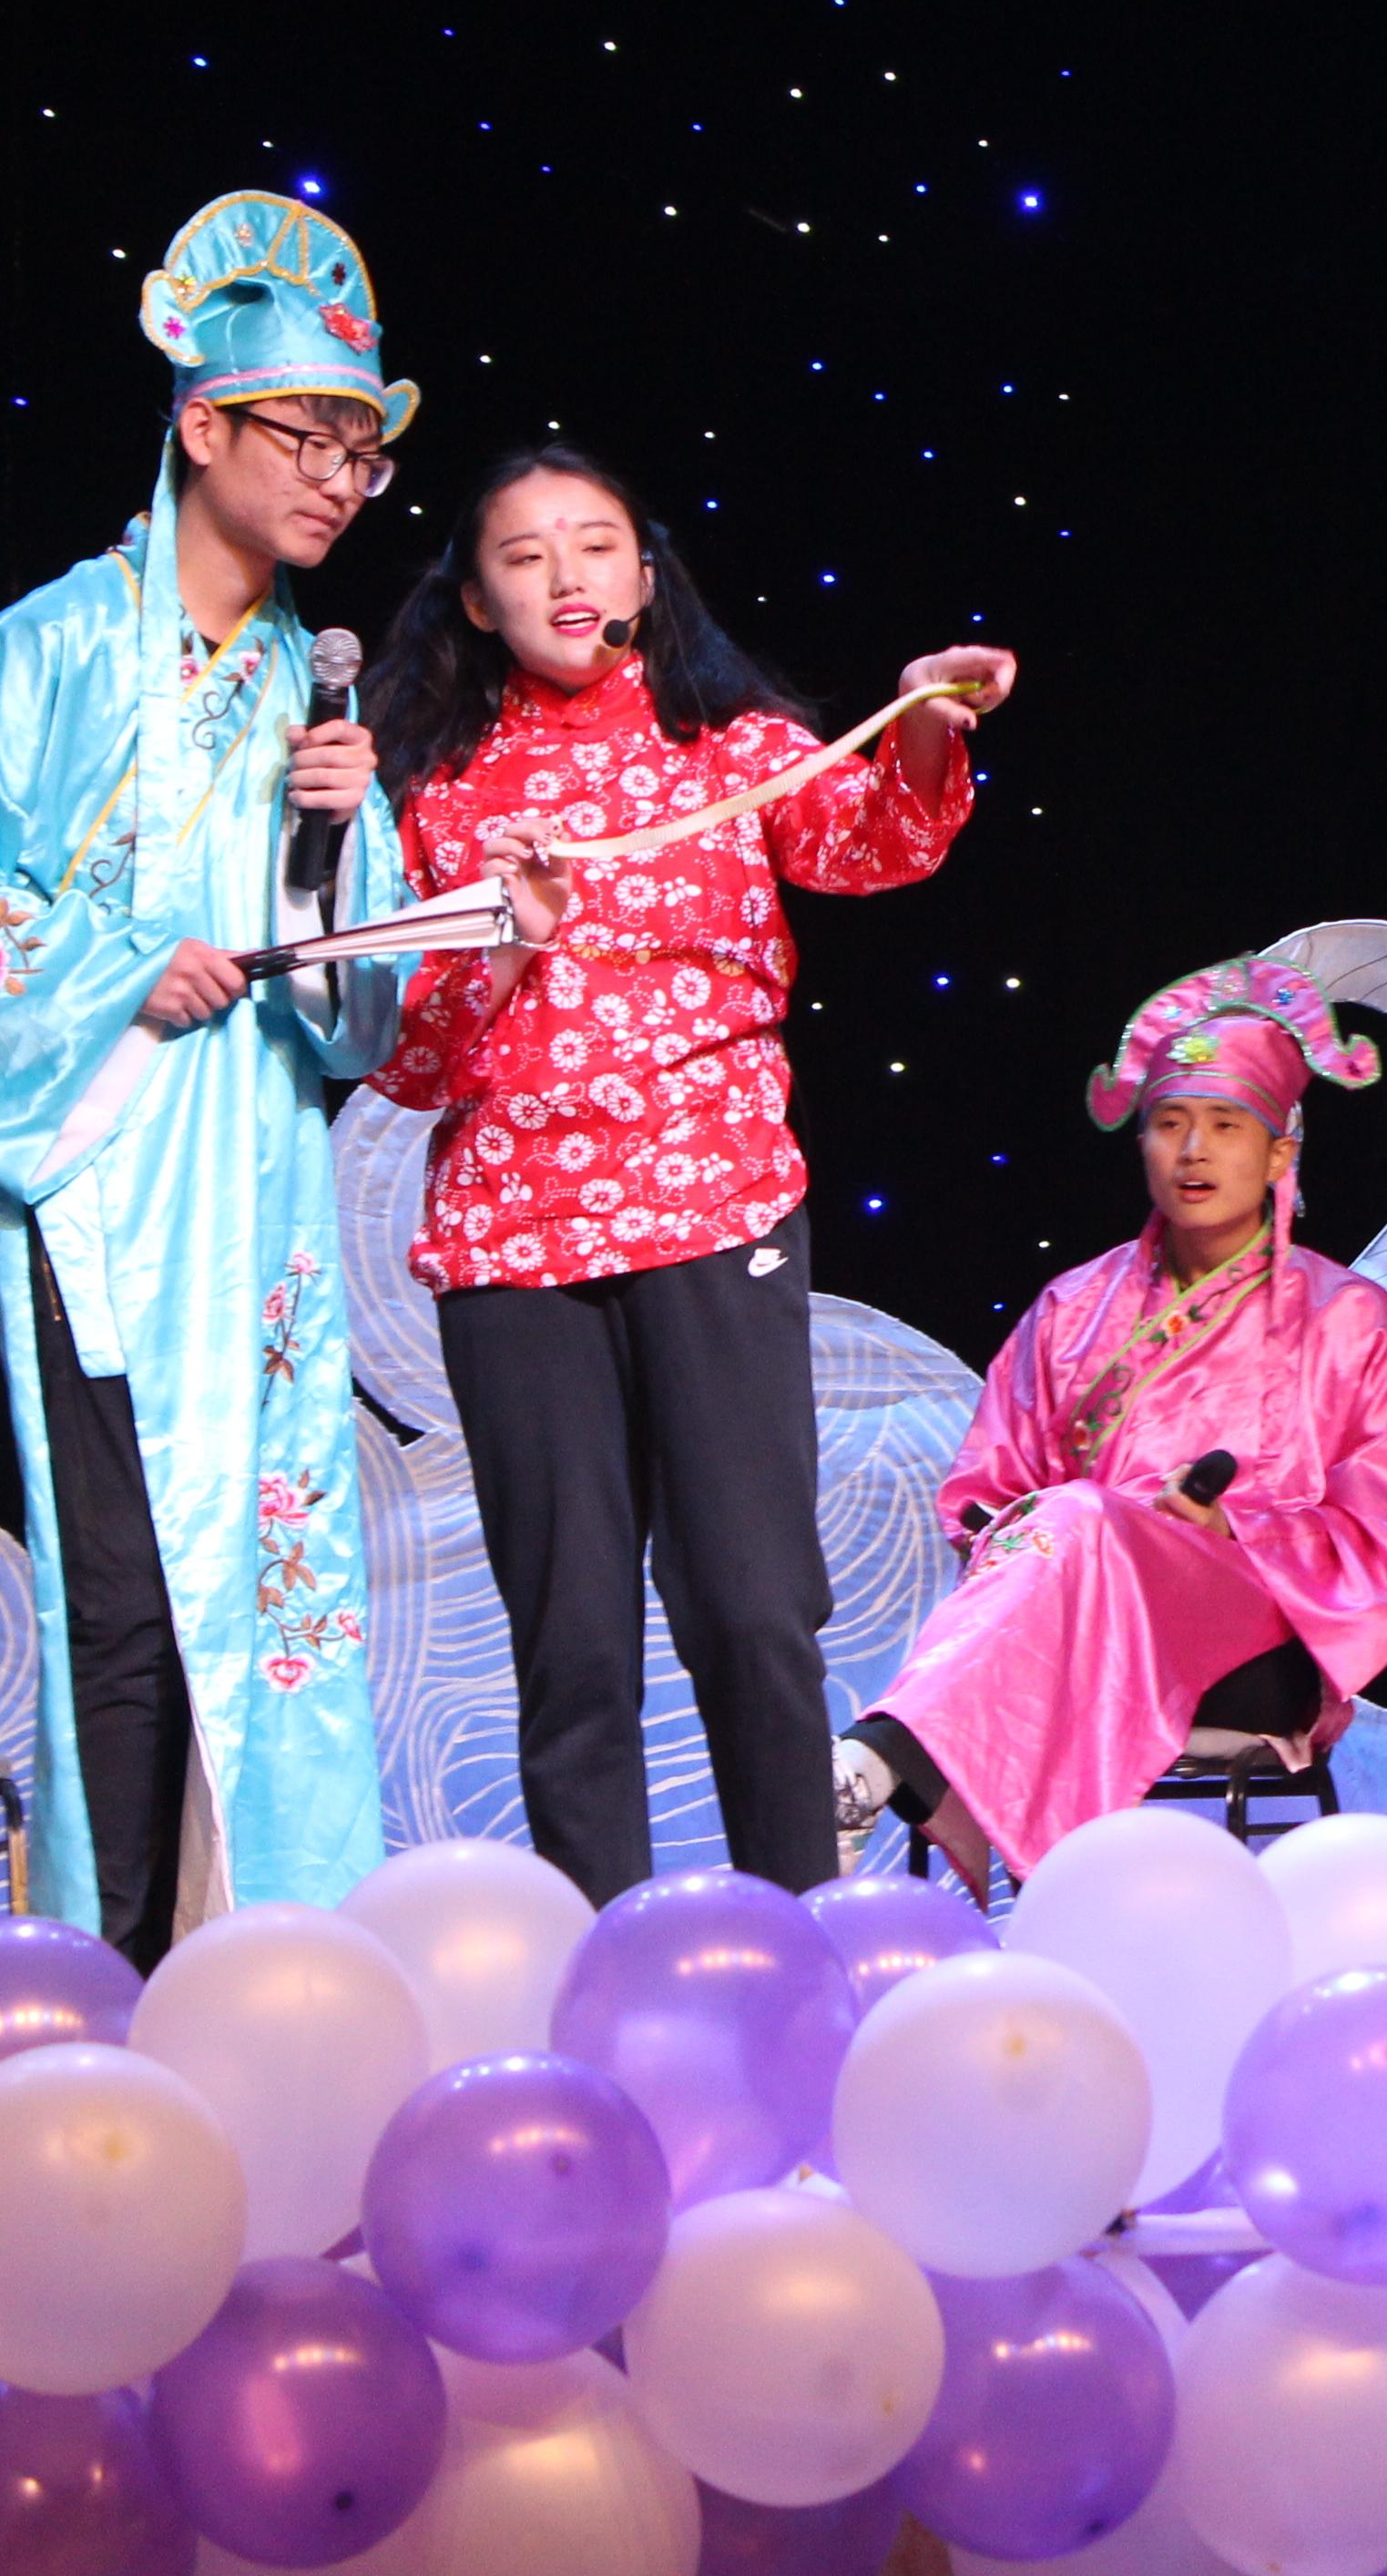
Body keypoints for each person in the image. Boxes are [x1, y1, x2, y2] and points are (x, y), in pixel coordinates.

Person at [0, 190, 419, 1954]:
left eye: (362, 453)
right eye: (308, 437)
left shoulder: (310, 692)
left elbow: (358, 1010)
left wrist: (342, 843)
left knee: (274, 1584)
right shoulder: (52, 648)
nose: (338, 481)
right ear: (201, 424)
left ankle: (275, 1957)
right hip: (106, 1162)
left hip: (258, 1178)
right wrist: (109, 975)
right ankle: (111, 1972)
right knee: (122, 1589)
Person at [364, 443, 1015, 1900]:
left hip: (715, 1209)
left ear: (646, 577)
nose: (565, 576)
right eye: (524, 555)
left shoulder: (731, 745)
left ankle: (793, 1928)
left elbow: (875, 845)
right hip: (515, 1244)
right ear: (473, 600)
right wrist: (512, 938)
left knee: (751, 1608)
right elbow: (406, 1059)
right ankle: (605, 1953)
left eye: (594, 544)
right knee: (573, 1641)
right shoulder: (439, 792)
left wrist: (924, 720)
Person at [838, 956, 1387, 1899]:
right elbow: (983, 1498)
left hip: (1255, 1646)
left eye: (1226, 1125)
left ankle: (882, 1756)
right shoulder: (1072, 1307)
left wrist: (1234, 1527)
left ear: (1279, 1153)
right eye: (1169, 1124)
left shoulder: (1350, 1322)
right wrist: (1066, 1530)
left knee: (1085, 1516)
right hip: (1076, 1626)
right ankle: (895, 1761)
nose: (1194, 1151)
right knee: (1078, 1519)